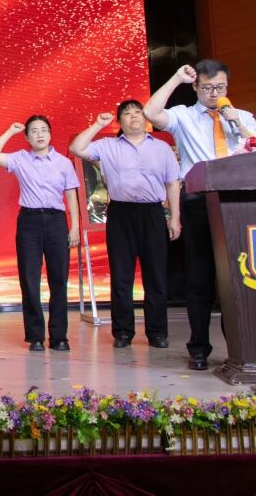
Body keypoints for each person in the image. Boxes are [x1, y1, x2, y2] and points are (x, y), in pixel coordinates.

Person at [144, 60, 256, 371]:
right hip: (199, 201)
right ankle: (198, 348)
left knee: (240, 276)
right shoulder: (184, 116)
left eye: (220, 87)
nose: (214, 93)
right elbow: (151, 112)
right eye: (207, 88)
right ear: (196, 87)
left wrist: (238, 124)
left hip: (237, 204)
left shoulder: (243, 116)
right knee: (200, 275)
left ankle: (240, 346)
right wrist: (175, 79)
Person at [69, 102, 182, 353]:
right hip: (121, 213)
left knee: (156, 275)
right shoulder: (108, 145)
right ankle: (122, 332)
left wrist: (174, 218)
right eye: (127, 114)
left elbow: (173, 183)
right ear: (120, 121)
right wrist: (98, 125)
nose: (133, 117)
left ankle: (157, 332)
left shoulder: (161, 147)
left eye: (137, 113)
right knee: (121, 276)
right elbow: (76, 148)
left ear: (145, 118)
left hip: (152, 212)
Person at [0, 117, 80, 353]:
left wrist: (75, 227)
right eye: (34, 131)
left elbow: (71, 195)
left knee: (59, 279)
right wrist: (10, 131)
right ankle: (36, 336)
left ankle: (59, 336)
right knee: (29, 279)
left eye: (44, 130)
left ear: (50, 134)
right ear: (27, 137)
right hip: (29, 221)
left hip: (56, 221)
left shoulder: (63, 162)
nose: (40, 135)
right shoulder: (20, 158)